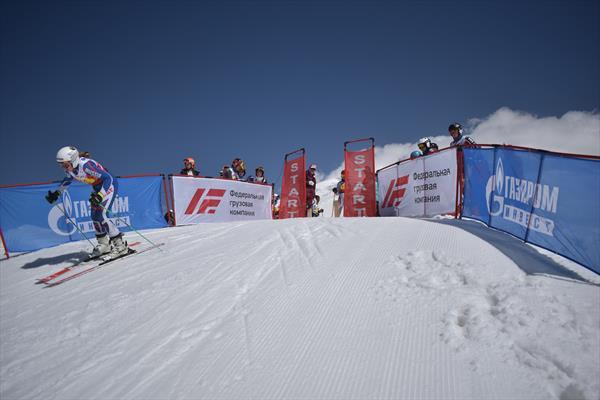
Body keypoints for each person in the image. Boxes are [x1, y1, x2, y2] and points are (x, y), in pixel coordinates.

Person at [45, 146, 130, 259]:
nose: (64, 167)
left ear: (73, 160)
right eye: (61, 165)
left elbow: (108, 178)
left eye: (65, 164)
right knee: (94, 216)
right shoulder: (71, 170)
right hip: (98, 188)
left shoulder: (85, 166)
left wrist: (100, 195)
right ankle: (104, 245)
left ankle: (120, 246)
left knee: (102, 215)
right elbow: (67, 181)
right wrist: (57, 194)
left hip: (109, 186)